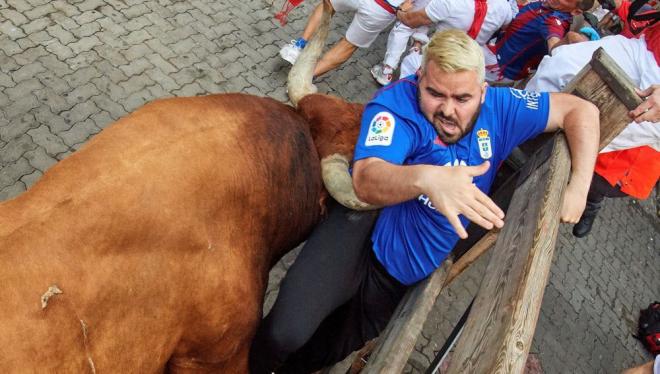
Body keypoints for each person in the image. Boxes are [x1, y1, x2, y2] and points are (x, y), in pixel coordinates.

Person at [250, 29, 600, 374]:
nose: (447, 110)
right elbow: (368, 179)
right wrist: (428, 179)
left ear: (482, 92)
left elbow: (581, 112)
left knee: (321, 354)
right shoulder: (396, 106)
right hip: (363, 233)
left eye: (462, 98)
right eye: (434, 93)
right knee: (284, 332)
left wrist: (578, 188)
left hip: (401, 276)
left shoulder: (502, 108)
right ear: (419, 79)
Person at [526, 19, 659, 237]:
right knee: (559, 64)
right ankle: (511, 128)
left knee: (597, 135)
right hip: (648, 48)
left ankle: (582, 197)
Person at [370, 0, 513, 84]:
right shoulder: (504, 7)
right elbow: (505, 28)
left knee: (406, 28)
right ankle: (416, 48)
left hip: (435, 62)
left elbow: (410, 20)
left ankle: (386, 72)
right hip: (465, 68)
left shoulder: (450, 2)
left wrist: (398, 9)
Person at [483, 0, 594, 84]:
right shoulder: (545, 5)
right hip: (494, 49)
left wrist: (568, 39)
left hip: (499, 67)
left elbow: (555, 48)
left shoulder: (554, 21)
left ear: (576, 11)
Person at [278, 0, 399, 77]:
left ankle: (298, 46)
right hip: (385, 8)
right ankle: (302, 78)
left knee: (328, 5)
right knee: (348, 45)